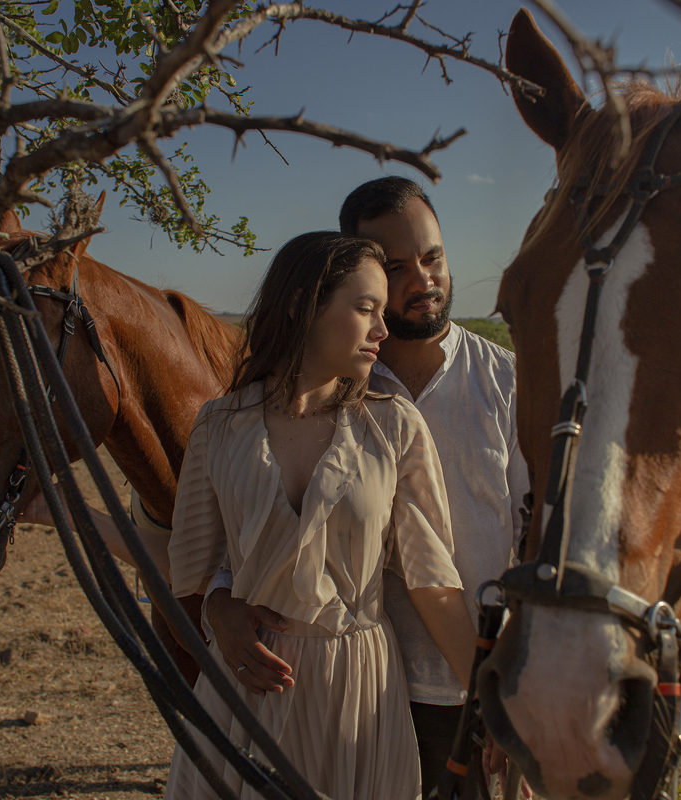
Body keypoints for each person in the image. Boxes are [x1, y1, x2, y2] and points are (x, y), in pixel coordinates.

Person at [208, 178, 530, 797]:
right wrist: (219, 603)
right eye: (398, 268)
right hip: (347, 689)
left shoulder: (506, 381)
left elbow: (532, 538)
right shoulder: (327, 381)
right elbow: (244, 528)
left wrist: (507, 691)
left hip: (469, 686)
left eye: (432, 257)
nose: (424, 281)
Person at [163, 231, 478, 800]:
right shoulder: (218, 425)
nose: (382, 330)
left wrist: (487, 714)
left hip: (359, 692)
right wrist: (219, 609)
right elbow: (190, 568)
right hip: (246, 689)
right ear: (302, 304)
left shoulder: (393, 426)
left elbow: (434, 584)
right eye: (366, 310)